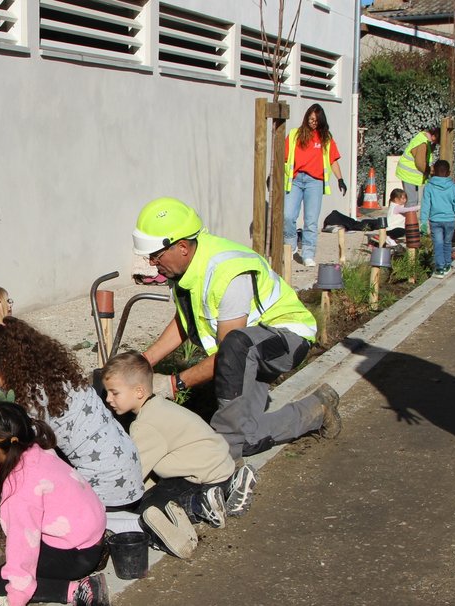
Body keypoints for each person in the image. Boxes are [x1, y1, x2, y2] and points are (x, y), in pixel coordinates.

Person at [132, 197, 341, 460]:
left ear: (182, 247)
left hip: (286, 339)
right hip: (248, 350)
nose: (152, 262)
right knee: (248, 437)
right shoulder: (188, 268)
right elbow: (186, 322)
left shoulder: (226, 272)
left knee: (229, 434)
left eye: (156, 255)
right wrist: (143, 362)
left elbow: (229, 352)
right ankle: (318, 409)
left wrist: (175, 384)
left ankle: (226, 458)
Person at [0, 317, 144, 511]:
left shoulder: (34, 398)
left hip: (106, 490)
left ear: (7, 365)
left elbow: (33, 454)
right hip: (129, 470)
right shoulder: (57, 372)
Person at [0, 402, 109, 606]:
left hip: (78, 554)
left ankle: (79, 591)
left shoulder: (20, 487)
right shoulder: (40, 450)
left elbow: (23, 548)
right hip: (92, 535)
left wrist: (15, 601)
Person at [102, 351, 261, 558]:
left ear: (139, 391)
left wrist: (104, 497)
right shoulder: (160, 406)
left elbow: (133, 474)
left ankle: (200, 506)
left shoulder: (145, 426)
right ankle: (229, 488)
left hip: (200, 478)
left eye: (114, 393)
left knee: (149, 508)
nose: (108, 399)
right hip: (220, 466)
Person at [283, 104, 347, 267]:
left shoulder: (325, 138)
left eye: (317, 120)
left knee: (311, 220)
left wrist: (340, 179)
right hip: (295, 180)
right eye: (311, 119)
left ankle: (308, 254)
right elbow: (282, 157)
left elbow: (333, 160)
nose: (314, 122)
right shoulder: (294, 135)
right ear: (306, 118)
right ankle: (290, 247)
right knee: (288, 216)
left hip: (315, 182)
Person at [420, 159, 455, 278]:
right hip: (450, 220)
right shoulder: (454, 187)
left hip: (435, 220)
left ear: (433, 171)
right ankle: (447, 265)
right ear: (449, 172)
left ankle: (439, 268)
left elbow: (425, 206)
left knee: (438, 243)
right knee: (447, 242)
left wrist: (423, 222)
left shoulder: (429, 187)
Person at [395, 126, 440, 208]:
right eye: (437, 141)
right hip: (408, 174)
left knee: (412, 200)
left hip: (408, 173)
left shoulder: (423, 138)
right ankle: (410, 220)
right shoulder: (422, 144)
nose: (436, 143)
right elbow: (420, 164)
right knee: (411, 202)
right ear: (434, 136)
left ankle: (410, 219)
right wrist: (431, 171)